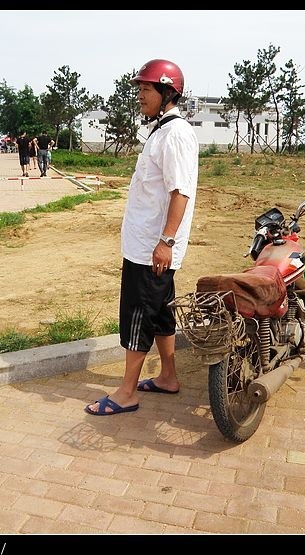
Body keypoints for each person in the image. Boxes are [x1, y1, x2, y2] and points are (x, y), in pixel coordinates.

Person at [85, 59, 199, 416]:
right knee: (163, 314)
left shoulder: (175, 134)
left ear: (168, 92)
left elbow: (180, 192)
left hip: (152, 250)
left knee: (138, 316)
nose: (139, 96)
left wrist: (165, 241)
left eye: (145, 89)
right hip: (149, 246)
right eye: (139, 89)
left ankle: (126, 392)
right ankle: (168, 376)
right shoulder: (162, 131)